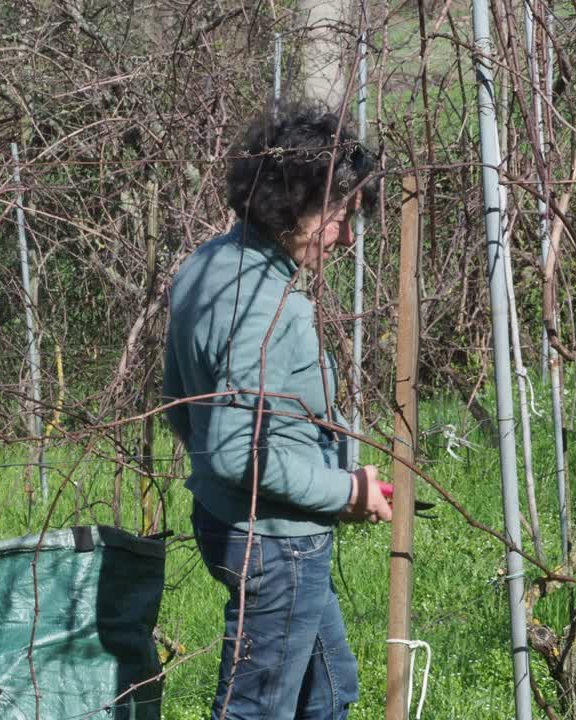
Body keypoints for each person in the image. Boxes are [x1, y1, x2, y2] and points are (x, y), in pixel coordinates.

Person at [161, 104, 393, 719]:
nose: (346, 237)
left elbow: (178, 404)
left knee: (329, 689)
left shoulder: (208, 265)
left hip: (228, 521)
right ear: (291, 203)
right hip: (275, 544)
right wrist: (348, 488)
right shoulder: (272, 307)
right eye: (339, 217)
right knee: (255, 709)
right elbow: (242, 451)